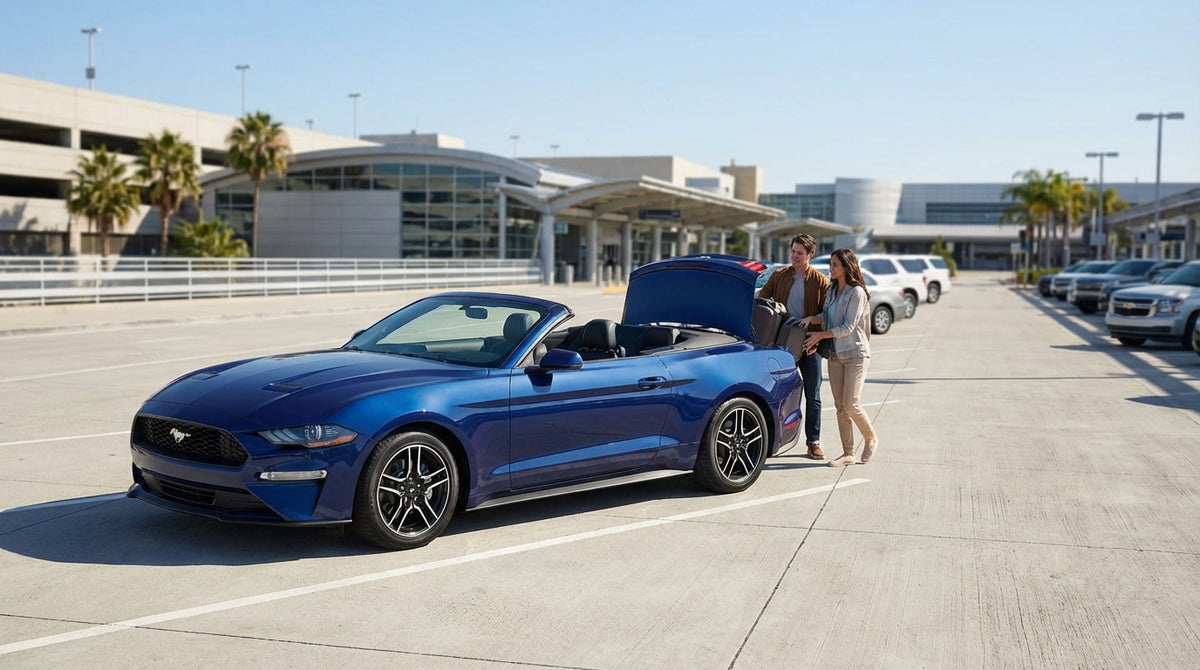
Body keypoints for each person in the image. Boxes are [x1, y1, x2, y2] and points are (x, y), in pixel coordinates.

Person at [799, 248, 878, 466]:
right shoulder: (832, 291)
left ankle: (870, 438)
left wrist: (819, 336)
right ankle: (848, 453)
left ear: (846, 266)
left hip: (855, 354)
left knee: (851, 403)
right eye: (831, 264)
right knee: (840, 406)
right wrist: (812, 319)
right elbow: (827, 316)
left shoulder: (857, 293)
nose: (830, 268)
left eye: (835, 264)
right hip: (835, 354)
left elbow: (848, 326)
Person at [757, 234, 831, 459]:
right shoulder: (779, 275)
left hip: (809, 344)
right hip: (781, 344)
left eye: (800, 253)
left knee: (813, 395)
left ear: (810, 255)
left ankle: (813, 442)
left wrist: (813, 323)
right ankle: (774, 440)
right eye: (793, 252)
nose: (795, 256)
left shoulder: (820, 281)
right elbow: (761, 299)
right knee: (776, 394)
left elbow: (828, 314)